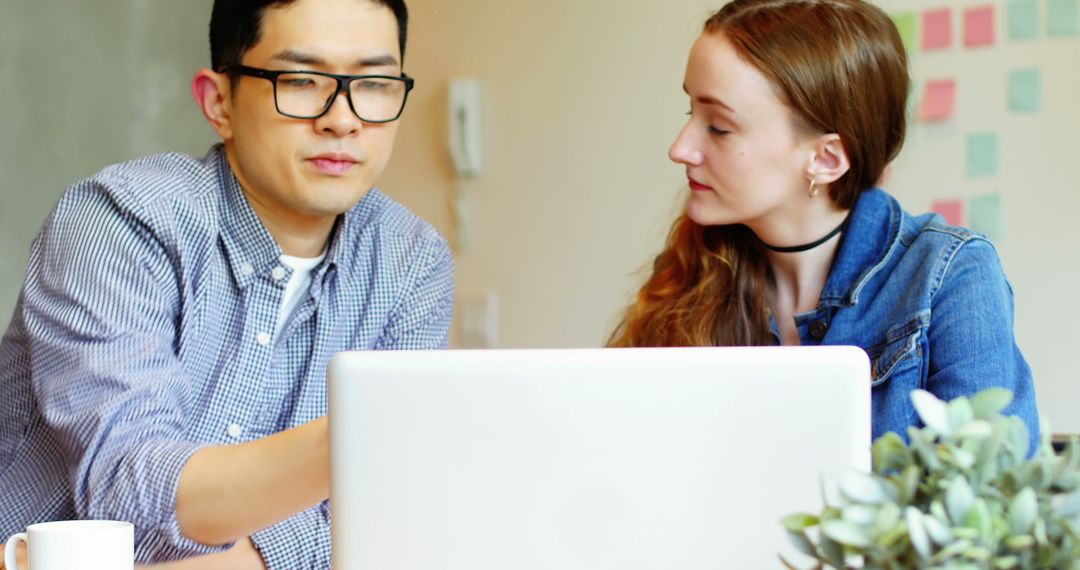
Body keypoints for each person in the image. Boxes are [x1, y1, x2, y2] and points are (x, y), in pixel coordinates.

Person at [0, 0, 453, 567]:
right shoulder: (119, 221)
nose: (344, 118)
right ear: (220, 103)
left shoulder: (412, 262)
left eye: (375, 83)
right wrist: (363, 434)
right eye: (303, 80)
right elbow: (129, 495)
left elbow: (370, 523)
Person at [608, 0, 1038, 447]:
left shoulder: (950, 275)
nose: (680, 149)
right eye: (689, 113)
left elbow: (991, 498)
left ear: (825, 158)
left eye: (718, 127)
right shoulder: (689, 274)